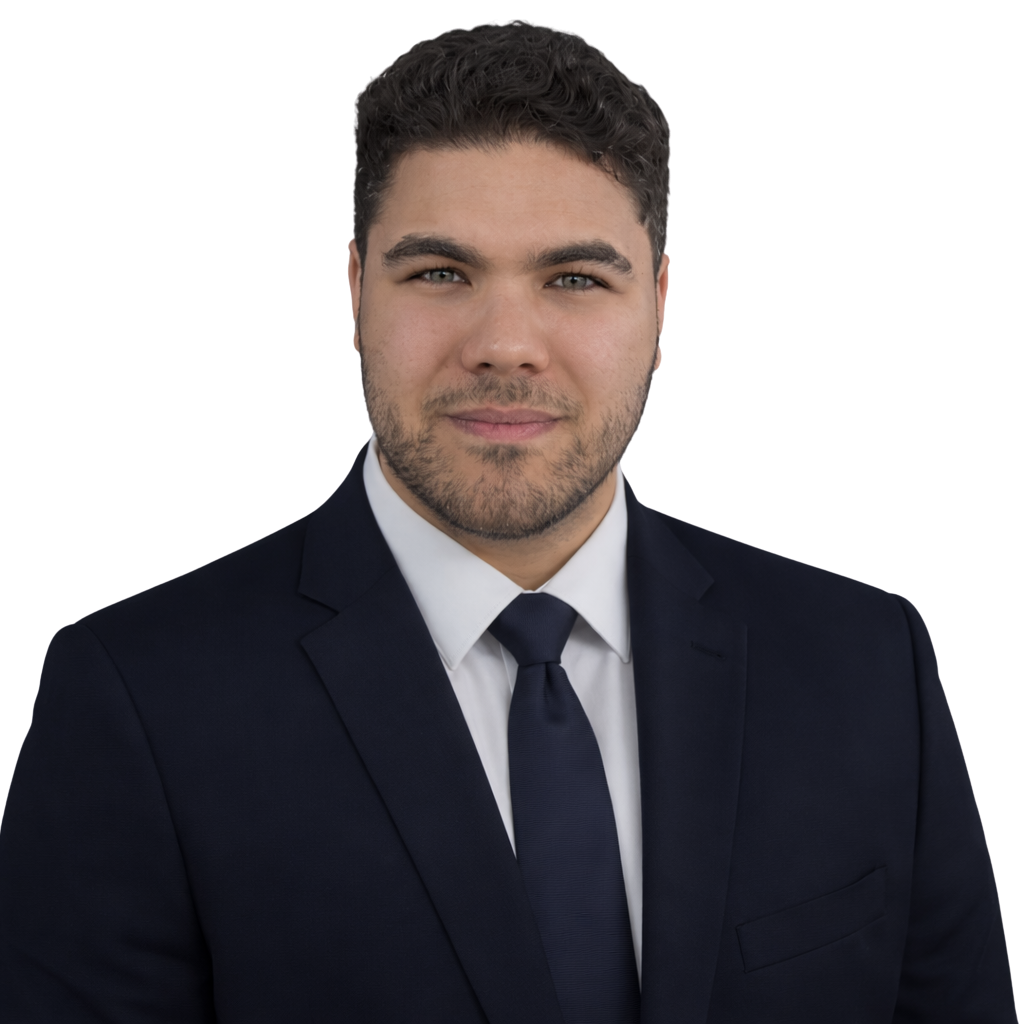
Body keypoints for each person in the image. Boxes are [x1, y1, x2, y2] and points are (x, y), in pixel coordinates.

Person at [0, 19, 1015, 1023]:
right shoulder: (136, 699)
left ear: (659, 305)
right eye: (440, 273)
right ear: (354, 287)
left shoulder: (866, 662)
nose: (505, 344)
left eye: (572, 278)